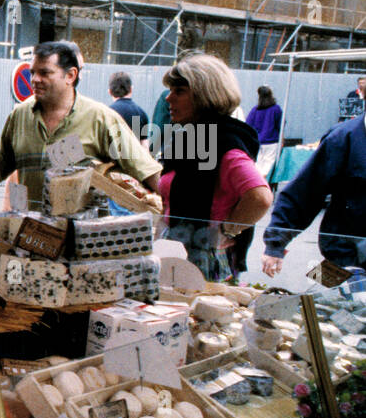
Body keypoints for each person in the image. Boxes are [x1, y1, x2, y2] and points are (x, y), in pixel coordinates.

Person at [0, 40, 160, 210]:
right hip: (31, 234)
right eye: (32, 72)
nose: (35, 79)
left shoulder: (100, 118)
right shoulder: (19, 116)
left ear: (70, 75)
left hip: (80, 236)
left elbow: (147, 170)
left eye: (44, 73)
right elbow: (2, 166)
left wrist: (176, 211)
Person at [156, 53, 271, 280]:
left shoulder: (224, 142)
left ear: (203, 96)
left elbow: (260, 198)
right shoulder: (190, 136)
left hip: (203, 263)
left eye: (179, 91)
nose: (168, 99)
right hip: (178, 253)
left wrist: (227, 229)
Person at [262, 112, 366, 274]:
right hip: (348, 257)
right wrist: (275, 244)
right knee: (340, 296)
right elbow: (305, 192)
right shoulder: (341, 138)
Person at [245, 86, 284, 179]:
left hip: (257, 142)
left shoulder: (255, 110)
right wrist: (282, 140)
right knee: (268, 168)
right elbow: (280, 126)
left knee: (258, 167)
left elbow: (248, 125)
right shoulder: (276, 109)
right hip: (272, 141)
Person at [108, 72, 150, 141]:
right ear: (131, 89)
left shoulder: (107, 113)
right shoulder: (141, 114)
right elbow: (144, 146)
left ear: (109, 92)